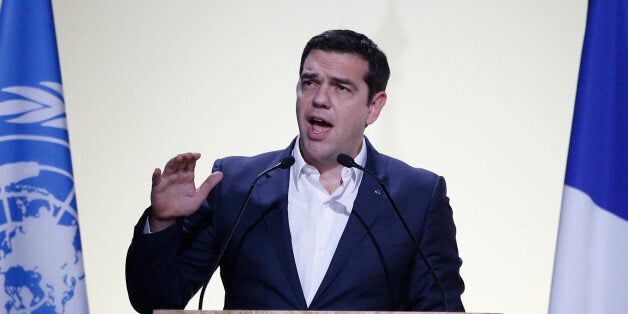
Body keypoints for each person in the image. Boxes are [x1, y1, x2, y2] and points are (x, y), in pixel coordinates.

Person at [126, 29, 465, 313]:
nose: (319, 99)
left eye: (341, 87)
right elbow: (155, 302)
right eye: (309, 82)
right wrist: (164, 223)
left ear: (373, 107)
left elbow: (440, 310)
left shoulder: (417, 196)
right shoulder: (237, 186)